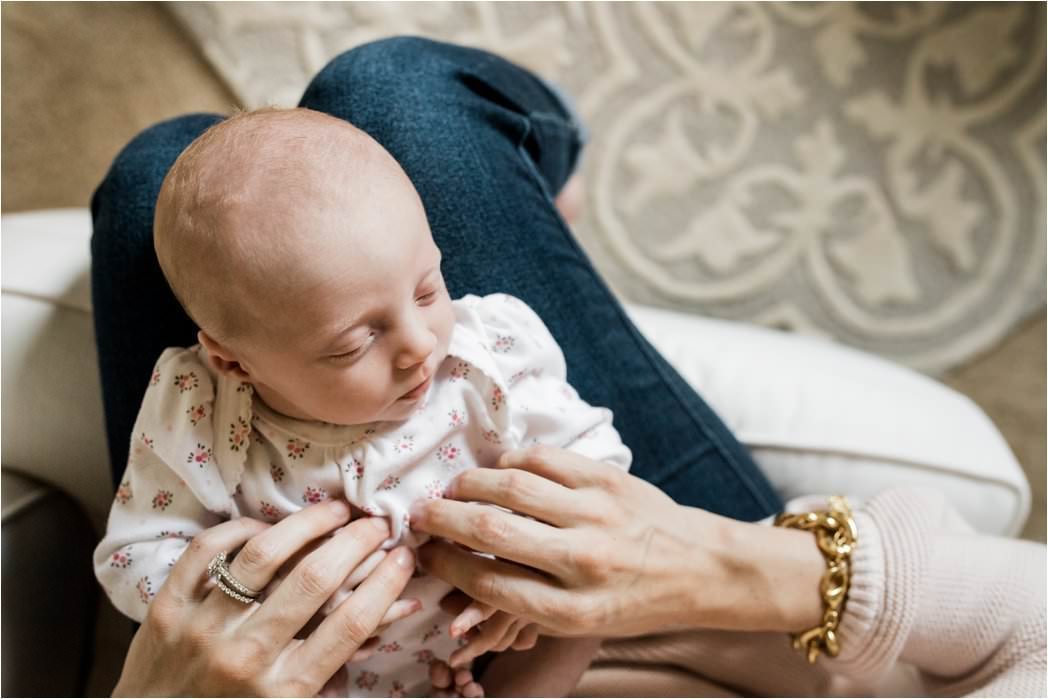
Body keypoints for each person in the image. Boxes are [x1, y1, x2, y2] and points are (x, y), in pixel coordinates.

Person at [90, 36, 1044, 697]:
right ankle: (552, 147)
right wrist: (694, 566)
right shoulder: (479, 358)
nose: (426, 343)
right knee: (376, 109)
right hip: (679, 621)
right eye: (367, 337)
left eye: (431, 293)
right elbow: (590, 462)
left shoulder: (230, 395)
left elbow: (147, 555)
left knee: (159, 179)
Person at [93, 105, 634, 697]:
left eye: (428, 289)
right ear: (233, 361)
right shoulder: (202, 409)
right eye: (356, 343)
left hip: (488, 647)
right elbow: (133, 557)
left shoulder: (488, 356)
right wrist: (268, 601)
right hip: (309, 677)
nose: (419, 345)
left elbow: (595, 463)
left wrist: (540, 570)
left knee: (578, 620)